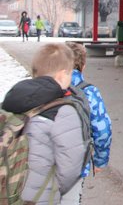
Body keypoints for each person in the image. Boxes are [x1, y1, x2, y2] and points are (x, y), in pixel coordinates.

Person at [2, 44, 88, 204]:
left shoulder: (12, 98)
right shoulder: (63, 111)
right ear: (62, 75)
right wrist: (55, 190)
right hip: (42, 195)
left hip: (11, 189)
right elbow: (71, 166)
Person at [62, 42, 113, 204]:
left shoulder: (45, 87)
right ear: (83, 65)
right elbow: (102, 129)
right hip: (75, 164)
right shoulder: (88, 92)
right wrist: (100, 160)